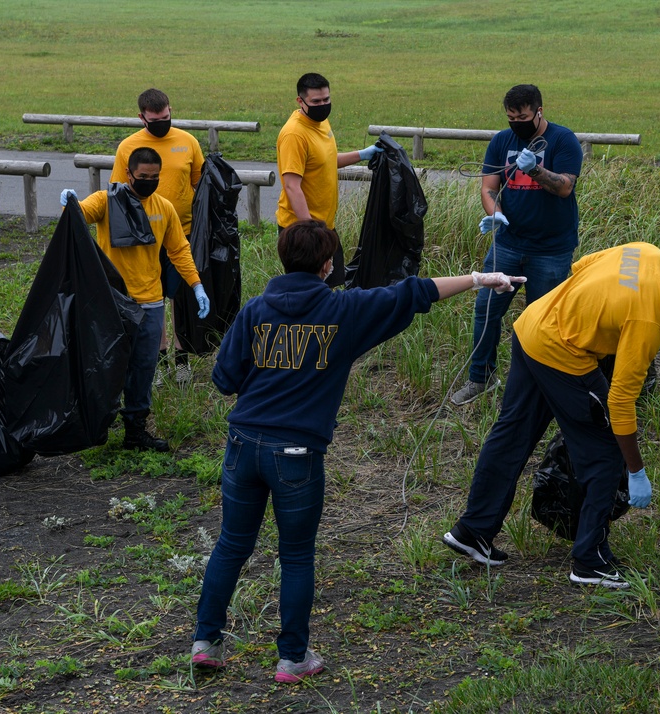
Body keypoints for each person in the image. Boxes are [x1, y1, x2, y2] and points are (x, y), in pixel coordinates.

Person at [191, 219, 525, 681]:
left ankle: (205, 642)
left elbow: (225, 379)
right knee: (295, 555)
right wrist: (477, 279)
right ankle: (292, 658)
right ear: (328, 265)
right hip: (297, 456)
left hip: (242, 444)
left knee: (231, 544)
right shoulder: (344, 310)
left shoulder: (255, 310)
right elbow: (412, 293)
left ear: (283, 258)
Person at [444, 242, 660, 588]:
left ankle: (473, 530)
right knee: (606, 450)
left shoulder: (649, 253)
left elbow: (583, 266)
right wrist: (636, 470)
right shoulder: (648, 318)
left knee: (512, 434)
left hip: (534, 326)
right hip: (561, 352)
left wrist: (597, 318)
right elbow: (622, 401)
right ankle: (589, 561)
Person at [61, 147, 210, 452]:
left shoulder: (164, 208)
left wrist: (197, 285)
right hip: (113, 302)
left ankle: (135, 430)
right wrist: (69, 205)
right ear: (128, 174)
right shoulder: (106, 202)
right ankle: (94, 424)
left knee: (143, 368)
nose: (149, 182)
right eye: (143, 177)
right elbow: (78, 217)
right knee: (107, 365)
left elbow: (179, 250)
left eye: (155, 177)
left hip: (151, 303)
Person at [451, 84, 584, 405]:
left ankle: (538, 385)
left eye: (522, 117)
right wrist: (495, 214)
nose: (516, 123)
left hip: (551, 250)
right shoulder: (501, 141)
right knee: (486, 311)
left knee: (541, 320)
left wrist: (535, 169)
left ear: (539, 111)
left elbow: (565, 187)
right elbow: (488, 188)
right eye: (511, 117)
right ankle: (481, 379)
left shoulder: (563, 141)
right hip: (507, 244)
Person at [111, 88, 205, 384]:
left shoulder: (188, 142)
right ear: (142, 118)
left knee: (180, 297)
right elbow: (118, 193)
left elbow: (201, 185)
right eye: (156, 119)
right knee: (154, 298)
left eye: (166, 117)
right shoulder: (128, 147)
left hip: (182, 231)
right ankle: (158, 357)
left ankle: (181, 359)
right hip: (144, 239)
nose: (163, 122)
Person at [275, 72, 383, 288]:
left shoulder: (321, 122)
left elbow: (326, 160)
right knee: (307, 293)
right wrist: (312, 232)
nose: (322, 105)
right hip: (302, 230)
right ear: (300, 101)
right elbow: (291, 186)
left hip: (324, 227)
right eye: (316, 101)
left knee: (330, 287)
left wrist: (363, 154)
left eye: (326, 99)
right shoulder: (294, 135)